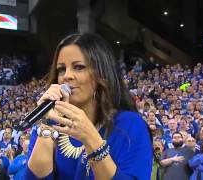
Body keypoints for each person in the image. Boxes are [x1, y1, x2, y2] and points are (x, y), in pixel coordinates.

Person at [26, 33, 153, 179]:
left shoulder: (129, 125)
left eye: (78, 67)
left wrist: (90, 138)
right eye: (61, 69)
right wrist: (47, 126)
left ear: (101, 74)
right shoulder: (49, 126)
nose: (66, 76)